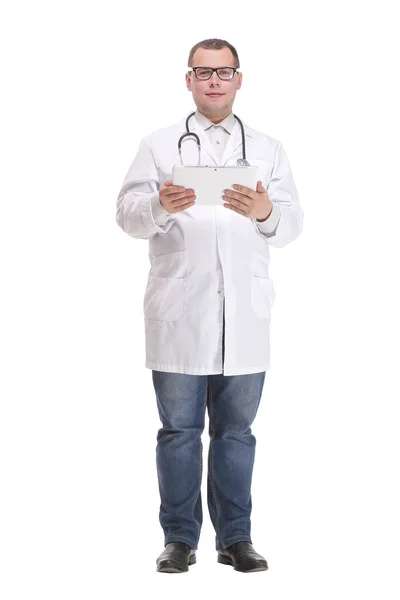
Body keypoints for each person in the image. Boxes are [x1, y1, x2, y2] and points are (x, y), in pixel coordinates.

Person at [115, 38, 303, 573]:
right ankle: (179, 539)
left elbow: (291, 225)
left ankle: (236, 538)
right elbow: (126, 214)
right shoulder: (158, 145)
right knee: (177, 432)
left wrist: (266, 210)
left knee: (236, 433)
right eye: (204, 72)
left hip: (245, 315)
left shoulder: (267, 147)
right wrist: (158, 204)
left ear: (239, 79)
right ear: (189, 80)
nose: (214, 80)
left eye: (224, 72)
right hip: (180, 312)